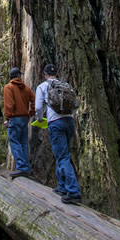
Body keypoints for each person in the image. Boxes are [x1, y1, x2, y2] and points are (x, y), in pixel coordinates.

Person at [35, 63, 82, 204]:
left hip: (55, 123)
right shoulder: (65, 86)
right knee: (62, 153)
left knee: (62, 156)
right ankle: (62, 186)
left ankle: (73, 191)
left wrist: (39, 119)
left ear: (45, 74)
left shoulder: (43, 86)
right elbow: (76, 104)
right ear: (56, 74)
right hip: (69, 122)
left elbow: (38, 107)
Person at [3, 67, 36, 178]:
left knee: (14, 142)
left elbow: (9, 105)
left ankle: (22, 167)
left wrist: (7, 118)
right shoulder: (26, 88)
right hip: (24, 118)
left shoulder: (9, 87)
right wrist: (31, 112)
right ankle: (25, 167)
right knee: (23, 142)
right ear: (18, 76)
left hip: (15, 118)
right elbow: (35, 99)